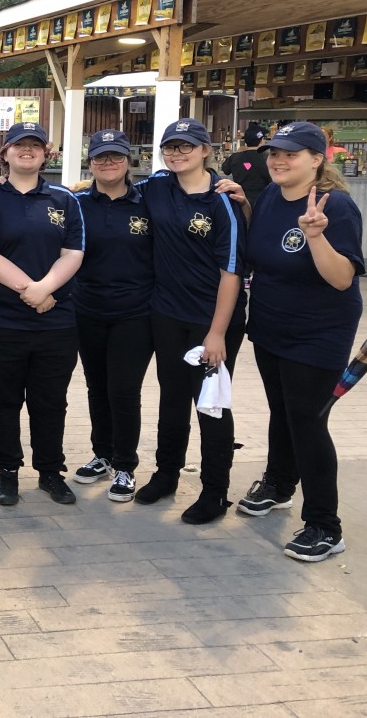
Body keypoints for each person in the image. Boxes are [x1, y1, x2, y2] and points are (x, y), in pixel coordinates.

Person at [237, 122, 364, 561]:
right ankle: (279, 482)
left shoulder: (337, 207)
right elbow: (261, 252)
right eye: (275, 152)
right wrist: (243, 209)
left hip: (317, 333)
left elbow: (341, 278)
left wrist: (314, 236)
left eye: (291, 154)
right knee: (283, 411)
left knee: (308, 421)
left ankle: (325, 525)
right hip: (272, 326)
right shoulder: (272, 195)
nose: (278, 160)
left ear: (317, 159)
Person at [134, 118, 247, 524]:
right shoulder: (157, 187)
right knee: (171, 397)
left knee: (211, 405)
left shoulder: (223, 200)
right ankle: (166, 474)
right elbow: (111, 190)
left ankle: (215, 493)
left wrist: (216, 333)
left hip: (211, 322)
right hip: (167, 314)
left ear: (205, 150)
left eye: (186, 146)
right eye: (170, 147)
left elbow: (231, 271)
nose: (177, 153)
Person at [0, 122, 85, 507]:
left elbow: (73, 253)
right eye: (20, 145)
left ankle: (51, 471)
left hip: (56, 321)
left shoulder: (64, 200)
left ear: (45, 154)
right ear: (4, 153)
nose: (27, 151)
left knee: (50, 400)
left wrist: (46, 290)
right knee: (2, 399)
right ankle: (7, 471)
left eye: (35, 146)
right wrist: (31, 291)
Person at [71, 129, 154, 502]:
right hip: (88, 308)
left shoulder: (147, 201)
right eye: (100, 157)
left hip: (135, 312)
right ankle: (102, 454)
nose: (108, 163)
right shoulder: (76, 203)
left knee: (123, 389)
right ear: (91, 163)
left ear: (128, 161)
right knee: (96, 387)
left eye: (116, 157)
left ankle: (125, 464)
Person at [221, 123, 272, 210]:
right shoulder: (267, 158)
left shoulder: (235, 157)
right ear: (261, 140)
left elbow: (225, 170)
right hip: (263, 202)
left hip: (239, 201)